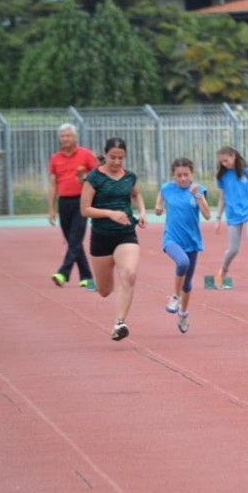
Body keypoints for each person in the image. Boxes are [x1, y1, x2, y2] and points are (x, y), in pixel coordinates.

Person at [80, 138, 147, 341]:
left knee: (129, 274)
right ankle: (113, 292)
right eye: (112, 157)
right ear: (105, 154)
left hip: (125, 233)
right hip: (101, 237)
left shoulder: (130, 177)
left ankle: (120, 323)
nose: (117, 162)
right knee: (104, 290)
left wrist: (143, 212)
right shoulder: (94, 178)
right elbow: (85, 210)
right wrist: (110, 213)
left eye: (121, 158)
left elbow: (137, 195)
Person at [154, 157, 211, 333]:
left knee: (188, 283)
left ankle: (184, 313)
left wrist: (198, 196)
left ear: (191, 174)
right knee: (182, 263)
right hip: (171, 238)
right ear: (173, 175)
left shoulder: (198, 190)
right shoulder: (167, 188)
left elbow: (207, 215)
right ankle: (175, 297)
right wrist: (158, 207)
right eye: (179, 175)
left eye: (186, 175)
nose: (183, 179)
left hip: (192, 242)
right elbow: (160, 200)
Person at [47, 123, 98, 288]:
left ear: (75, 137)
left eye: (68, 135)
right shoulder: (55, 158)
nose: (65, 139)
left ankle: (63, 272)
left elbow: (99, 174)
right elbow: (53, 184)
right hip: (64, 202)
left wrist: (85, 178)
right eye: (62, 136)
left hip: (82, 201)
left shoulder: (86, 154)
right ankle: (86, 277)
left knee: (75, 238)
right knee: (72, 241)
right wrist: (51, 208)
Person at [214, 146, 248, 288]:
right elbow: (222, 198)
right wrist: (218, 218)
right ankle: (223, 271)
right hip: (233, 214)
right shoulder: (223, 177)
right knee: (233, 249)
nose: (224, 164)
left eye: (226, 160)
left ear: (233, 156)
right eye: (222, 162)